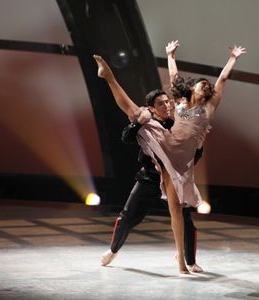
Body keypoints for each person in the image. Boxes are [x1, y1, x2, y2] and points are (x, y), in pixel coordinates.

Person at [93, 42, 245, 273]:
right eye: (202, 85)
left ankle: (184, 261)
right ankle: (109, 77)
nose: (206, 88)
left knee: (180, 216)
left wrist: (233, 58)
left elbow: (222, 80)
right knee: (135, 114)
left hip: (182, 165)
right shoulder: (180, 104)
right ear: (192, 89)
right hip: (166, 148)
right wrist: (170, 55)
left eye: (207, 87)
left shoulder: (208, 109)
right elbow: (174, 77)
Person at [101, 89, 204, 273]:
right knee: (127, 216)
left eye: (167, 102)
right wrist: (138, 123)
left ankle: (190, 260)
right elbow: (126, 137)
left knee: (186, 221)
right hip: (149, 178)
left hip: (174, 181)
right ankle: (113, 250)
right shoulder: (146, 122)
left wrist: (199, 146)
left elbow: (191, 157)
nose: (166, 106)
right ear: (152, 108)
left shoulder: (177, 125)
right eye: (161, 103)